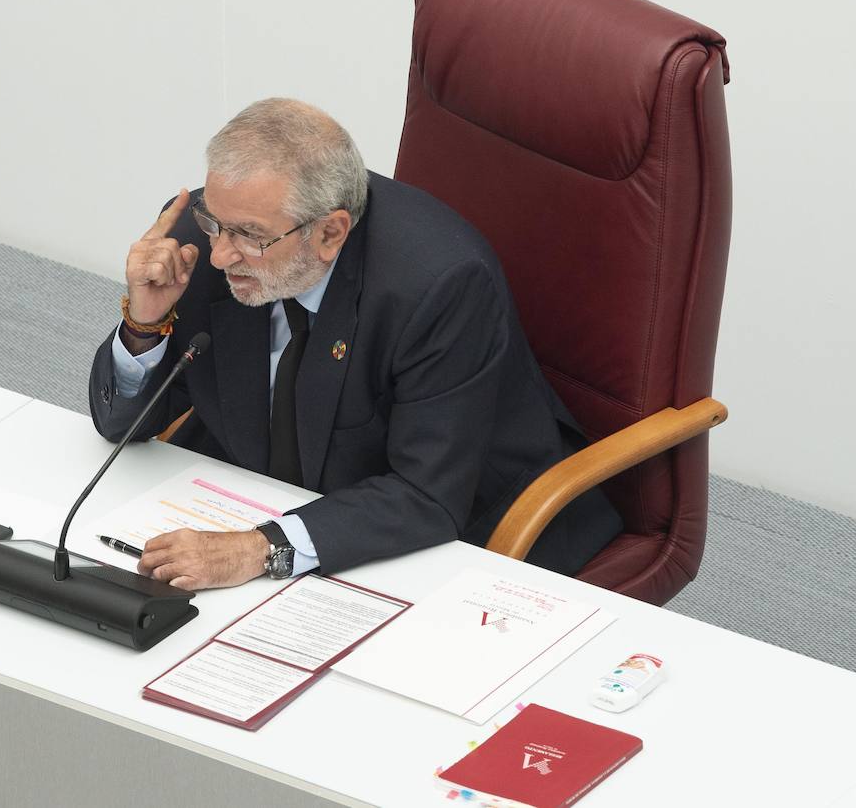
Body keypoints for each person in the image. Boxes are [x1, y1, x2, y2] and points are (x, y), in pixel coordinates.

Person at [89, 98, 621, 590]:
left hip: (448, 522)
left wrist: (261, 549)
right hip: (255, 492)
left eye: (249, 236)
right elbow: (121, 426)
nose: (221, 255)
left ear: (330, 233)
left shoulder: (440, 286)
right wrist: (144, 322)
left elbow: (427, 493)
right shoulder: (199, 240)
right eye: (214, 223)